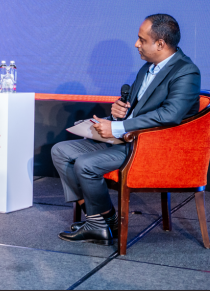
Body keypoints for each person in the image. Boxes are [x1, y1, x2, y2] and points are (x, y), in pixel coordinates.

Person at [51, 14, 201, 245]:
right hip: (127, 140)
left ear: (160, 44)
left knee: (85, 164)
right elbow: (137, 110)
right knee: (61, 151)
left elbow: (170, 115)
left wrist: (118, 126)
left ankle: (98, 224)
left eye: (142, 40)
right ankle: (104, 220)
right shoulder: (147, 68)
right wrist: (119, 113)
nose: (136, 44)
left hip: (149, 148)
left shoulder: (186, 71)